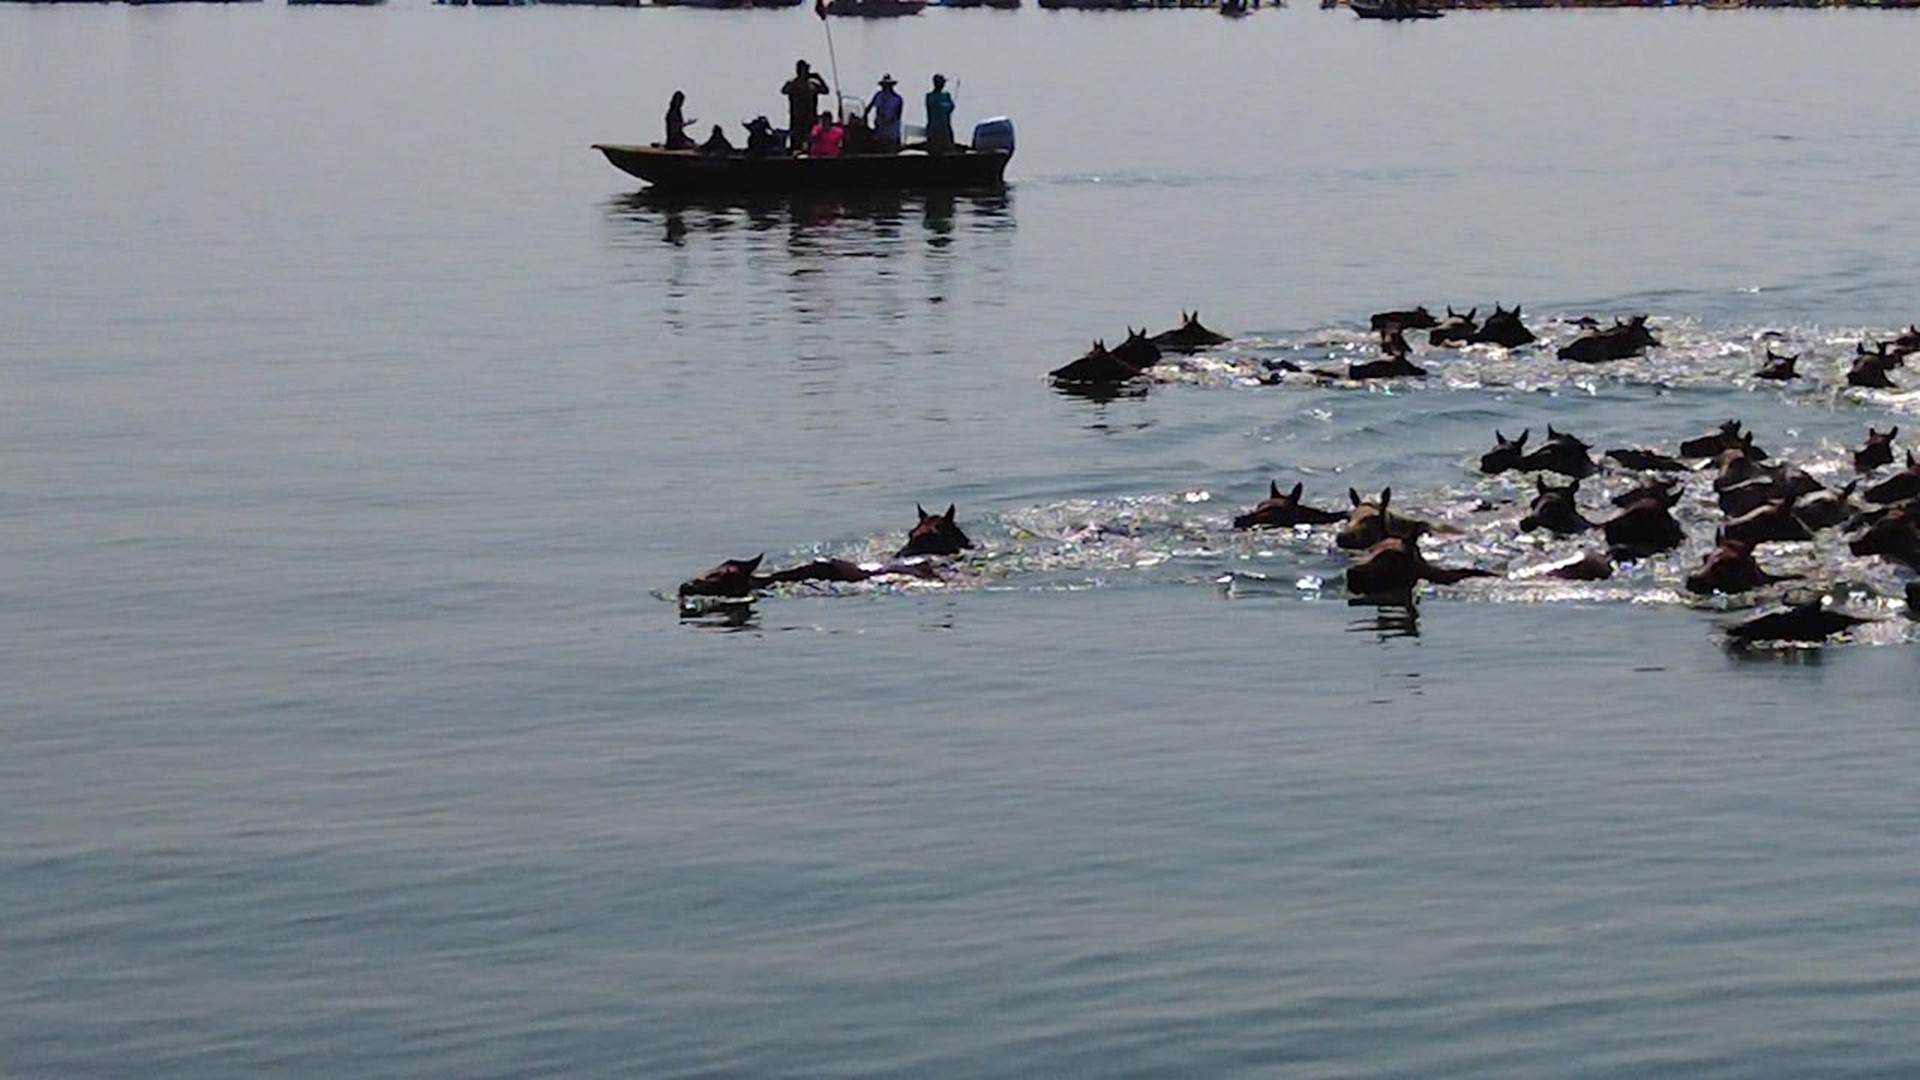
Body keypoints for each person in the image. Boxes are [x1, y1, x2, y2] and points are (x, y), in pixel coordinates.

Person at [781, 61, 830, 154]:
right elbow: (784, 90)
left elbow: (825, 90)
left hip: (810, 118)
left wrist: (818, 77)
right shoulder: (793, 84)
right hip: (797, 118)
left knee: (812, 142)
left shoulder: (812, 84)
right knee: (796, 144)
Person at [865, 73, 904, 151]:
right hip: (880, 132)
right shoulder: (878, 96)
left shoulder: (897, 99)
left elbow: (897, 116)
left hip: (891, 133)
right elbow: (868, 109)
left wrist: (886, 121)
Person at [924, 73, 956, 153]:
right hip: (935, 129)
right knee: (935, 151)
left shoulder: (946, 96)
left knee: (949, 150)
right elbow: (940, 108)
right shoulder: (930, 96)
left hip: (946, 128)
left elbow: (951, 108)